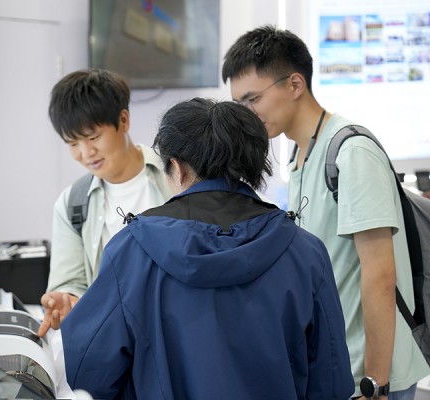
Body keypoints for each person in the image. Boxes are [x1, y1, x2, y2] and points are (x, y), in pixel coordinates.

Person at [60, 98, 354, 399]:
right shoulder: (305, 252)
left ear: (177, 168)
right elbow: (333, 382)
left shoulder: (131, 251)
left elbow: (89, 371)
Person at [222, 25, 430, 399]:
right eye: (239, 104)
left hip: (373, 374)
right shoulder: (300, 157)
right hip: (337, 365)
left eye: (253, 99)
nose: (246, 114)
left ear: (295, 84)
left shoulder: (350, 152)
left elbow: (380, 275)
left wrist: (375, 383)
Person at [37, 69, 171, 337]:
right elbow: (71, 283)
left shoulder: (175, 176)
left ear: (123, 120)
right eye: (72, 143)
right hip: (118, 339)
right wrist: (67, 299)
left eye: (93, 137)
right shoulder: (72, 204)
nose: (86, 153)